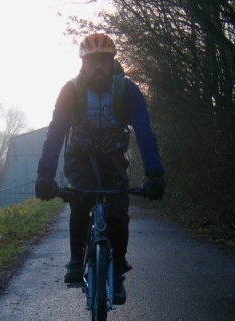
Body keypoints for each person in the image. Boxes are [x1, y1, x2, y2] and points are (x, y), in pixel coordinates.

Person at [35, 33, 165, 305]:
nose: (98, 67)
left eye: (104, 61)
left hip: (113, 158)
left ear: (112, 62)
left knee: (118, 212)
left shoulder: (127, 91)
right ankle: (74, 259)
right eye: (92, 60)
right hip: (79, 157)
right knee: (80, 201)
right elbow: (56, 132)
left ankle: (117, 270)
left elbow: (144, 133)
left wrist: (155, 174)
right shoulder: (71, 91)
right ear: (83, 63)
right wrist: (44, 175)